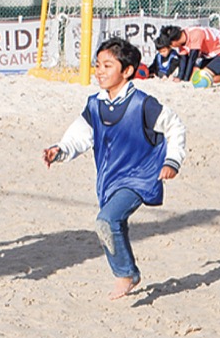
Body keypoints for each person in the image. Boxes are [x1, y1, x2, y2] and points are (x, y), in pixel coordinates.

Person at [43, 37, 187, 300]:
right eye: (98, 65)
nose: (100, 71)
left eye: (107, 66)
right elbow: (80, 135)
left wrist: (172, 161)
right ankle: (128, 272)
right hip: (109, 180)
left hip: (140, 177)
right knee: (113, 222)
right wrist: (60, 149)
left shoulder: (143, 104)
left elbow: (175, 126)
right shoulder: (95, 104)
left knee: (106, 221)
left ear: (127, 71)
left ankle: (126, 275)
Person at [153, 25, 220, 84]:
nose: (171, 47)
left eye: (170, 45)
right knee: (194, 77)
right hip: (214, 54)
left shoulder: (195, 35)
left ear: (174, 41)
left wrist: (185, 81)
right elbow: (183, 60)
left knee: (205, 78)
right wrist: (180, 78)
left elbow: (192, 59)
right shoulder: (182, 38)